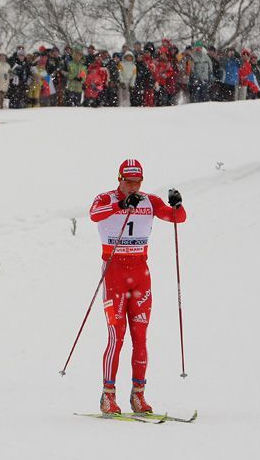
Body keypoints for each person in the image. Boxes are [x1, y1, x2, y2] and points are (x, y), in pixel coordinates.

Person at [89, 159, 186, 415]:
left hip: (141, 274)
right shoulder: (105, 198)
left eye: (137, 182)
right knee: (116, 336)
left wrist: (177, 204)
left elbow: (179, 218)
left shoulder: (149, 201)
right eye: (128, 182)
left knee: (140, 338)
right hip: (114, 274)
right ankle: (108, 396)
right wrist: (121, 204)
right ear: (119, 179)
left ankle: (138, 395)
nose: (132, 187)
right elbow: (93, 215)